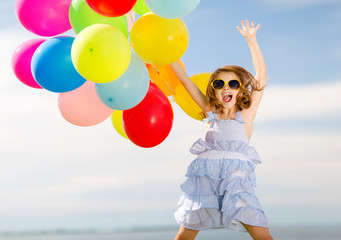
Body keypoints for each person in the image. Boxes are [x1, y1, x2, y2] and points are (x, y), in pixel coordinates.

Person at [170, 20, 273, 240]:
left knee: (260, 233)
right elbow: (184, 80)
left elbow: (261, 75)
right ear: (214, 91)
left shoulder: (246, 114)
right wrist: (164, 56)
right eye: (219, 84)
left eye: (233, 84)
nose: (226, 88)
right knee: (184, 234)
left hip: (235, 181)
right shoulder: (210, 112)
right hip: (205, 181)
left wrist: (251, 40)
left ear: (240, 90)